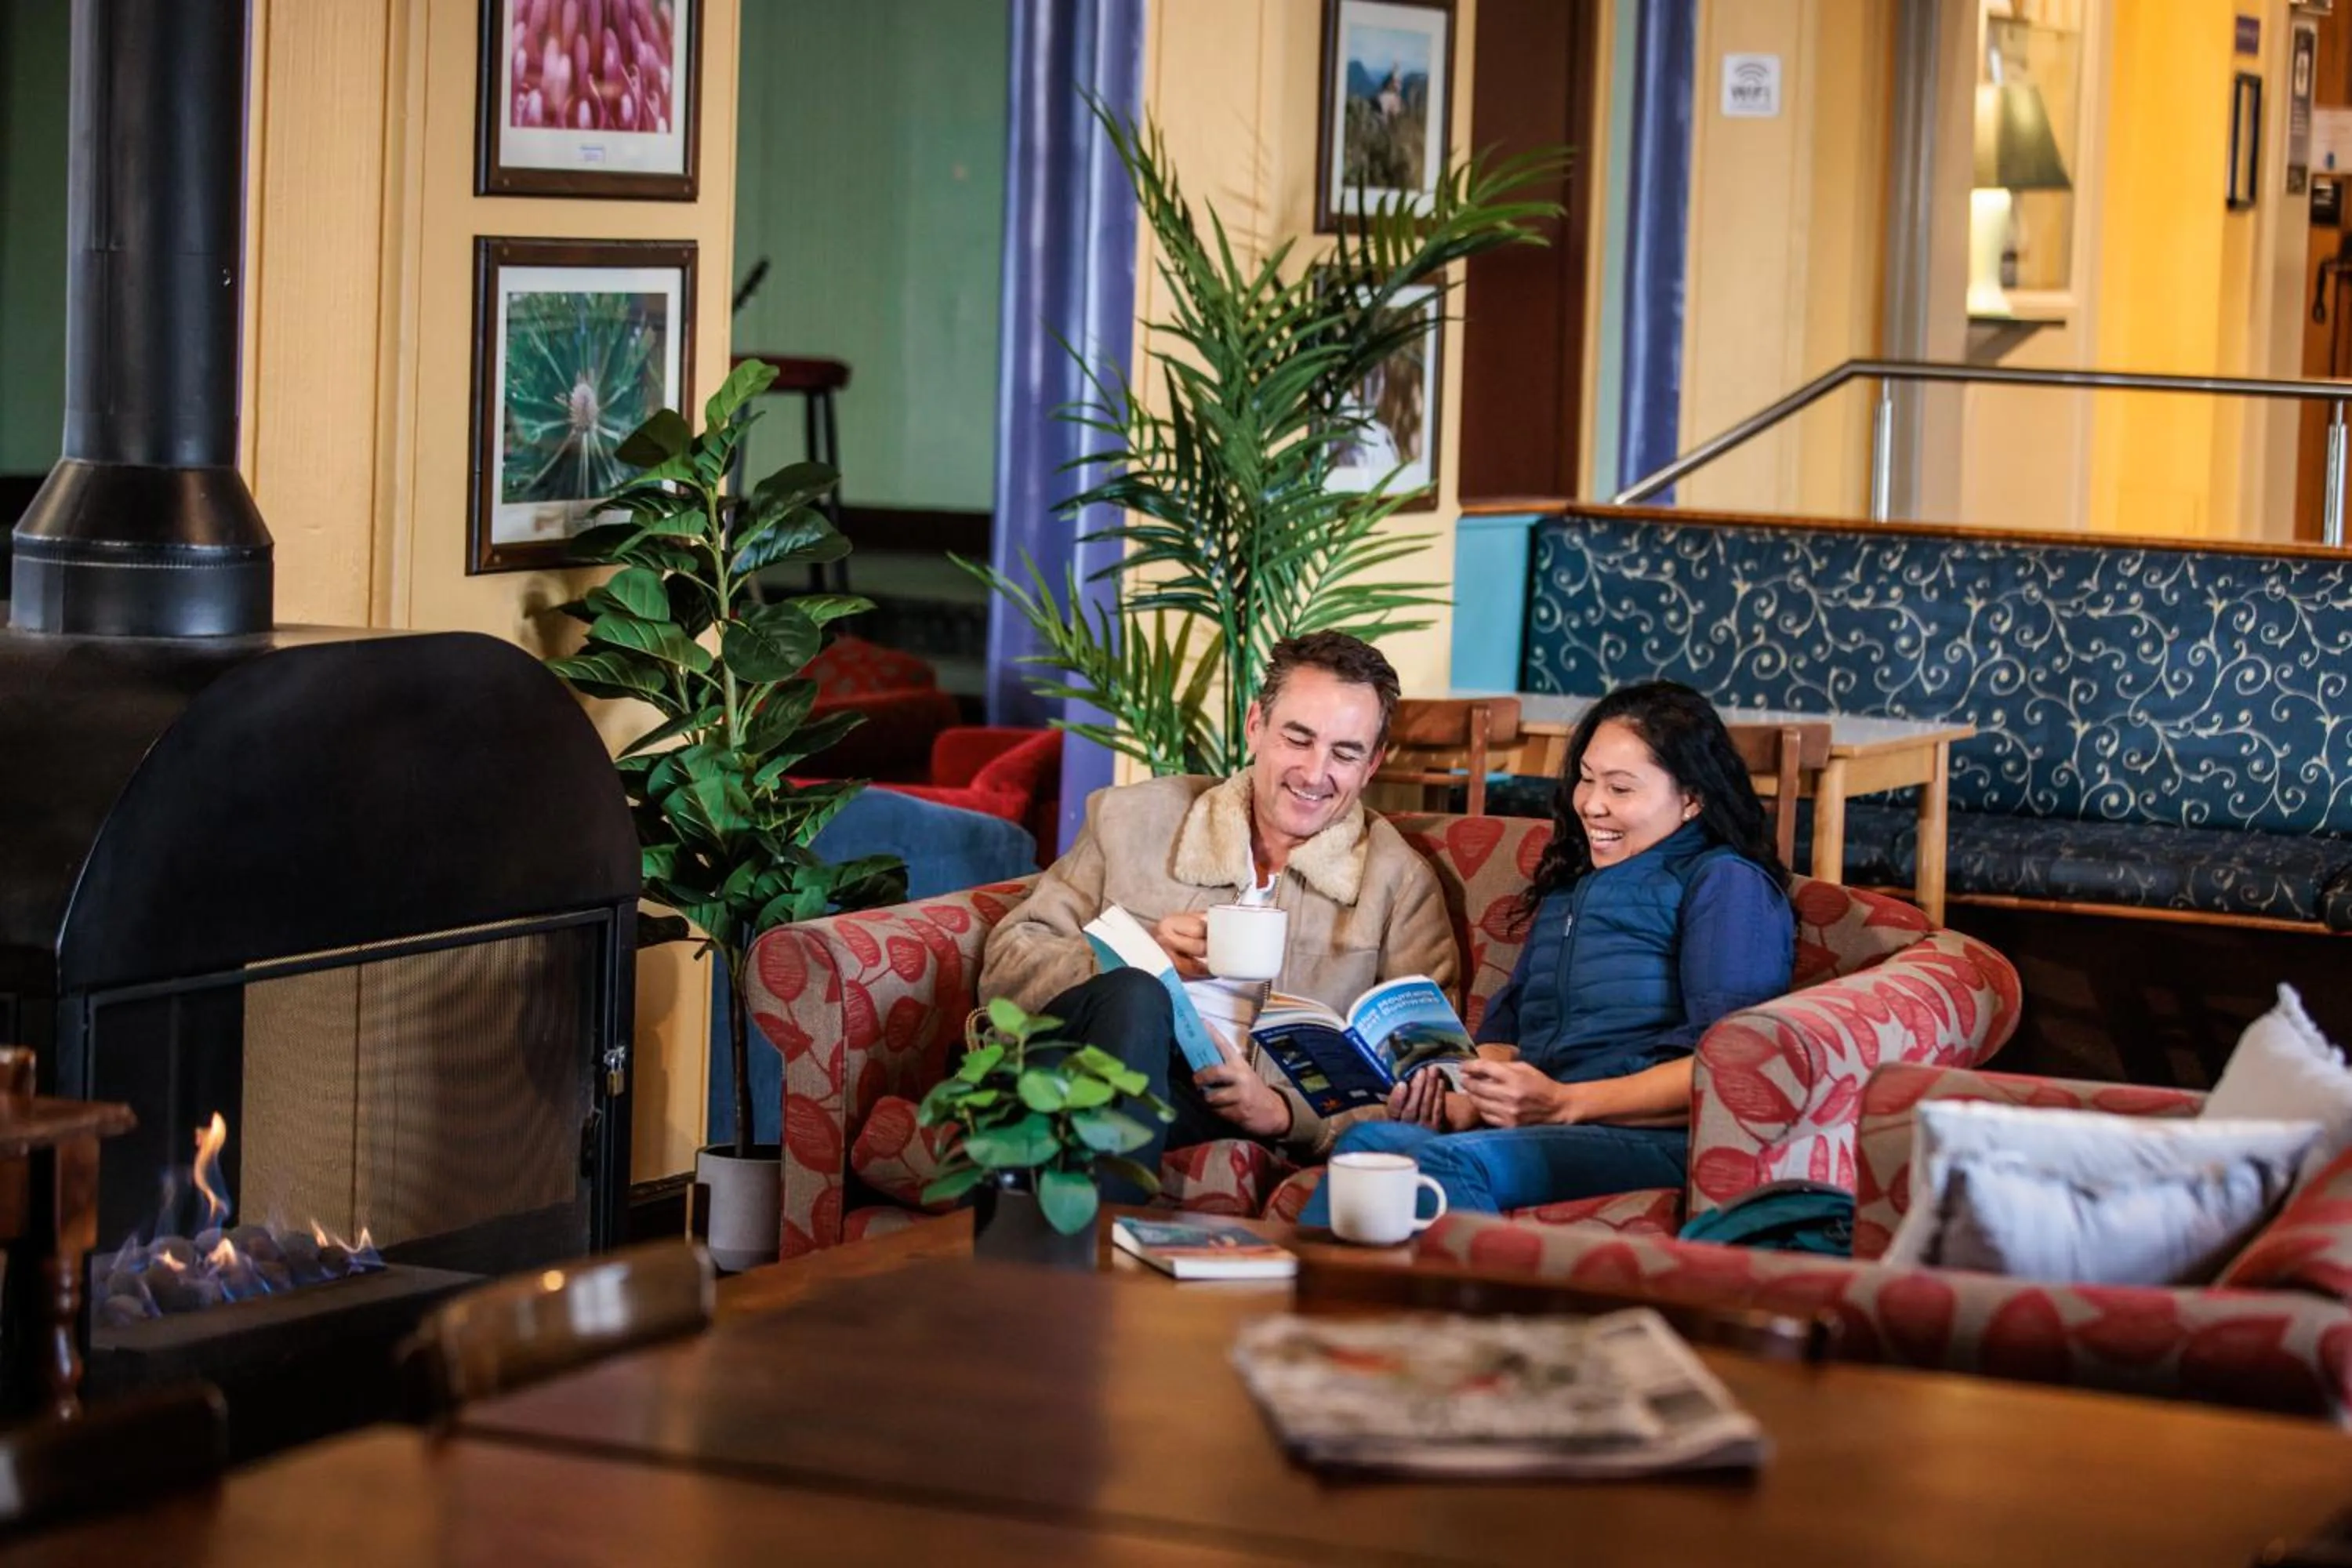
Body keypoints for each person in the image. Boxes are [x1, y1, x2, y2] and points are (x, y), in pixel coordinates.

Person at [1303, 680, 1796, 1221]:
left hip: (1655, 1138)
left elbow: (1728, 1067)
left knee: (1446, 1167)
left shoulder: (1725, 883)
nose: (1593, 805)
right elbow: (1508, 1041)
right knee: (1368, 1147)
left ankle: (1491, 1306)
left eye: (1621, 789)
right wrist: (1462, 1092)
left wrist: (1563, 1104)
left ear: (1692, 799)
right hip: (1550, 1126)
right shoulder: (1570, 892)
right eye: (1586, 780)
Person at [979, 633, 1459, 1176]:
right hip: (1095, 1049)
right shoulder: (1133, 819)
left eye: (1344, 753)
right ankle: (1092, 1229)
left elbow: (1430, 1086)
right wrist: (1140, 956)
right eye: (1298, 739)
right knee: (1135, 994)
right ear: (1256, 725)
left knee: (1065, 1098)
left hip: (1207, 1108)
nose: (1314, 772)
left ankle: (1050, 1219)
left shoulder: (1399, 884)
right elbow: (1008, 965)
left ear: (1373, 765)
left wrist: (1281, 1113)